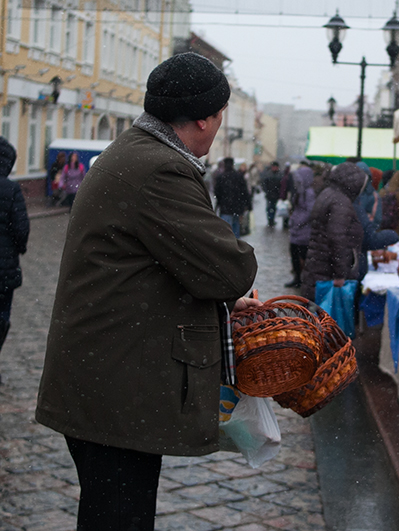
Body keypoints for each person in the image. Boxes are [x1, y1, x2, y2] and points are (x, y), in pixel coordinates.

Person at [35, 52, 259, 531]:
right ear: (204, 118)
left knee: (110, 511)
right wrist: (229, 286)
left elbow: (158, 263)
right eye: (221, 116)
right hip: (117, 385)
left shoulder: (135, 151)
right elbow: (229, 268)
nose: (219, 126)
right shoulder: (160, 170)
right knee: (119, 516)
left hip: (106, 378)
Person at [301, 162, 366, 301]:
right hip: (327, 273)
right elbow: (337, 239)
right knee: (325, 316)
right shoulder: (340, 202)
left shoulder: (328, 193)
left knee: (316, 313)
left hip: (318, 268)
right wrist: (340, 274)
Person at [0, 137, 28, 383]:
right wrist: (20, 248)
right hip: (4, 266)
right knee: (2, 315)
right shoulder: (11, 189)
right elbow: (21, 228)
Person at [285, 165, 316, 288]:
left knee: (302, 256)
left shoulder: (309, 193)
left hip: (304, 231)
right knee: (294, 255)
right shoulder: (299, 192)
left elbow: (310, 211)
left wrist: (299, 222)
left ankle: (302, 280)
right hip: (296, 230)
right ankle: (297, 278)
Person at [214, 157, 251, 238]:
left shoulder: (221, 177)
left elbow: (217, 192)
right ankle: (236, 246)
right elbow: (245, 192)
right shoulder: (239, 176)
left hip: (225, 208)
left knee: (225, 230)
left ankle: (227, 247)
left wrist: (219, 202)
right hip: (237, 207)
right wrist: (248, 205)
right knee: (236, 228)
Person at [261, 161, 283, 227]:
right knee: (270, 207)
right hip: (270, 194)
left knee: (273, 207)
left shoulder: (279, 174)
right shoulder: (269, 174)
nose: (274, 168)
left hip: (275, 194)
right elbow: (264, 183)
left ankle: (271, 219)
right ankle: (270, 220)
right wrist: (266, 191)